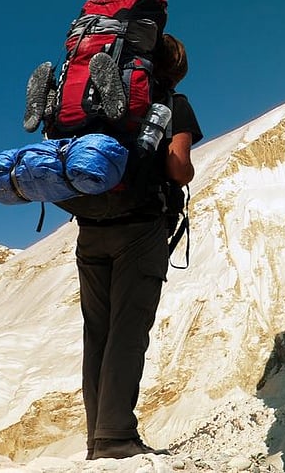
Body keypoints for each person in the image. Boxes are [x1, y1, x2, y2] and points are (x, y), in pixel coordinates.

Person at [79, 33, 203, 460]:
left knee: (97, 332)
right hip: (140, 228)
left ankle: (99, 437)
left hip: (91, 224)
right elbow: (178, 166)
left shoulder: (102, 104)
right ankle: (115, 438)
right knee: (128, 333)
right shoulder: (173, 102)